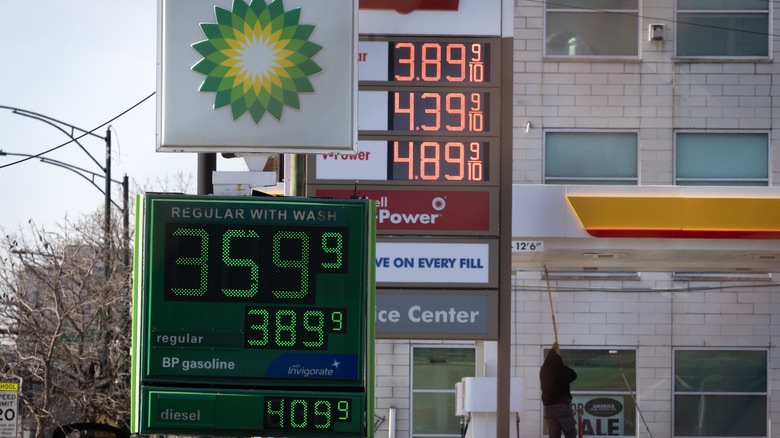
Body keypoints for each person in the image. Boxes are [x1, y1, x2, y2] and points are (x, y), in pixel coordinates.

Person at [540, 343, 578, 438]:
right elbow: (574, 374)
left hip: (548, 408)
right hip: (562, 407)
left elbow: (546, 363)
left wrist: (552, 350)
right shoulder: (563, 373)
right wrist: (563, 365)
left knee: (554, 436)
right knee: (570, 434)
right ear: (560, 363)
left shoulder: (544, 372)